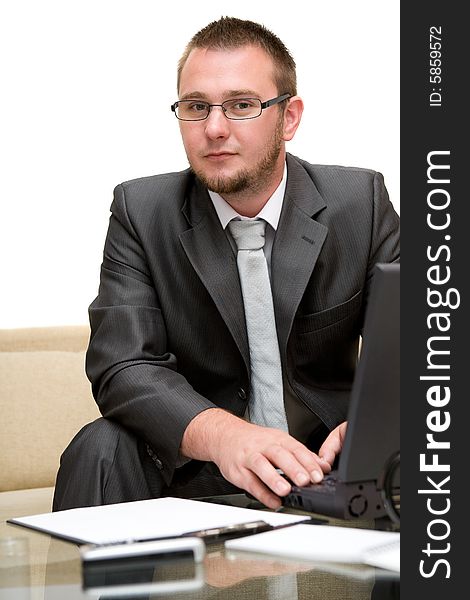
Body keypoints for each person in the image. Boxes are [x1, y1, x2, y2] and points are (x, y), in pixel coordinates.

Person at [53, 16, 399, 512]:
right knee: (99, 446)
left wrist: (377, 425)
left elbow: (427, 344)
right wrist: (225, 436)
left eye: (242, 105)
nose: (214, 129)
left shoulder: (360, 202)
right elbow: (123, 367)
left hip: (327, 462)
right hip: (201, 469)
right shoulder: (141, 211)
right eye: (196, 107)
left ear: (290, 117)